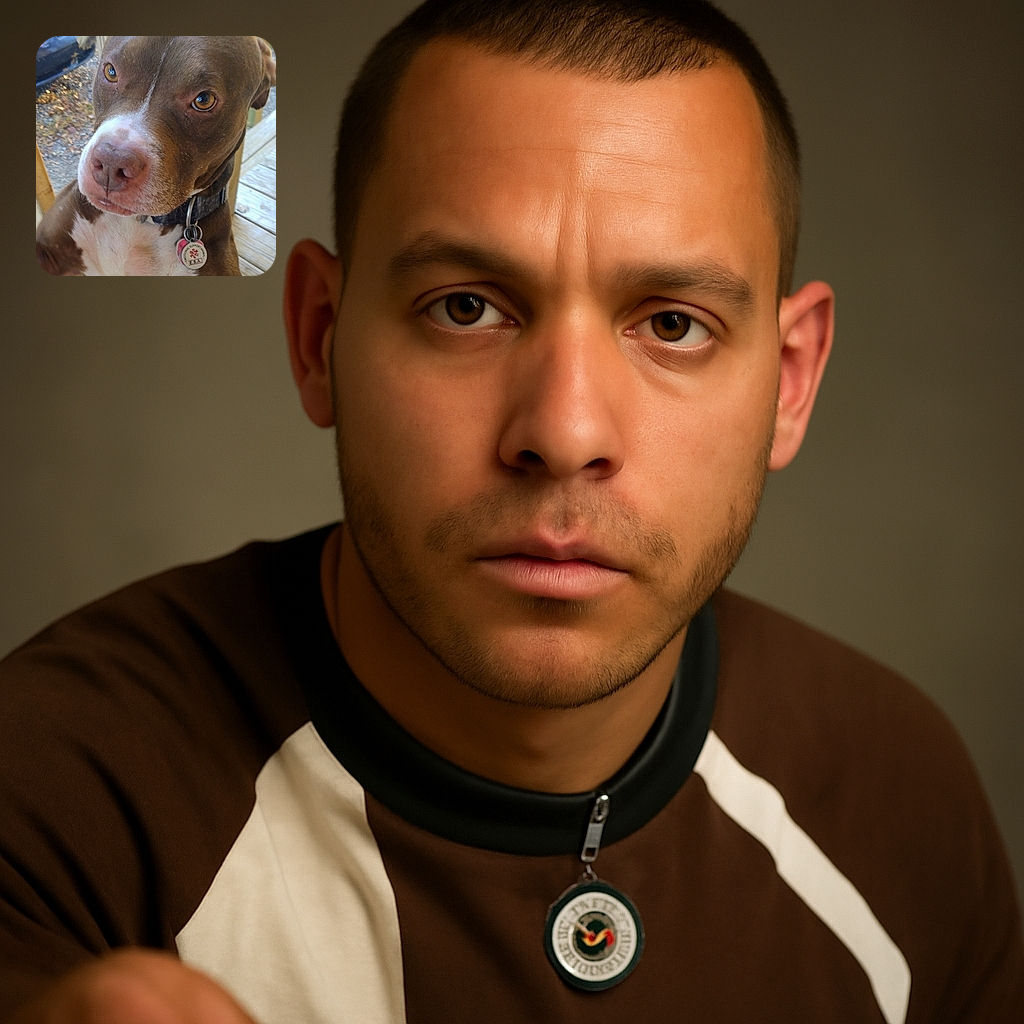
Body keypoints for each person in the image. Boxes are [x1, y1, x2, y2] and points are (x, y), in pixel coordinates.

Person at [3, 0, 1021, 1020]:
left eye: (673, 323)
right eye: (466, 307)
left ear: (789, 383)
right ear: (320, 337)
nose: (565, 430)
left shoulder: (900, 800)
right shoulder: (51, 790)